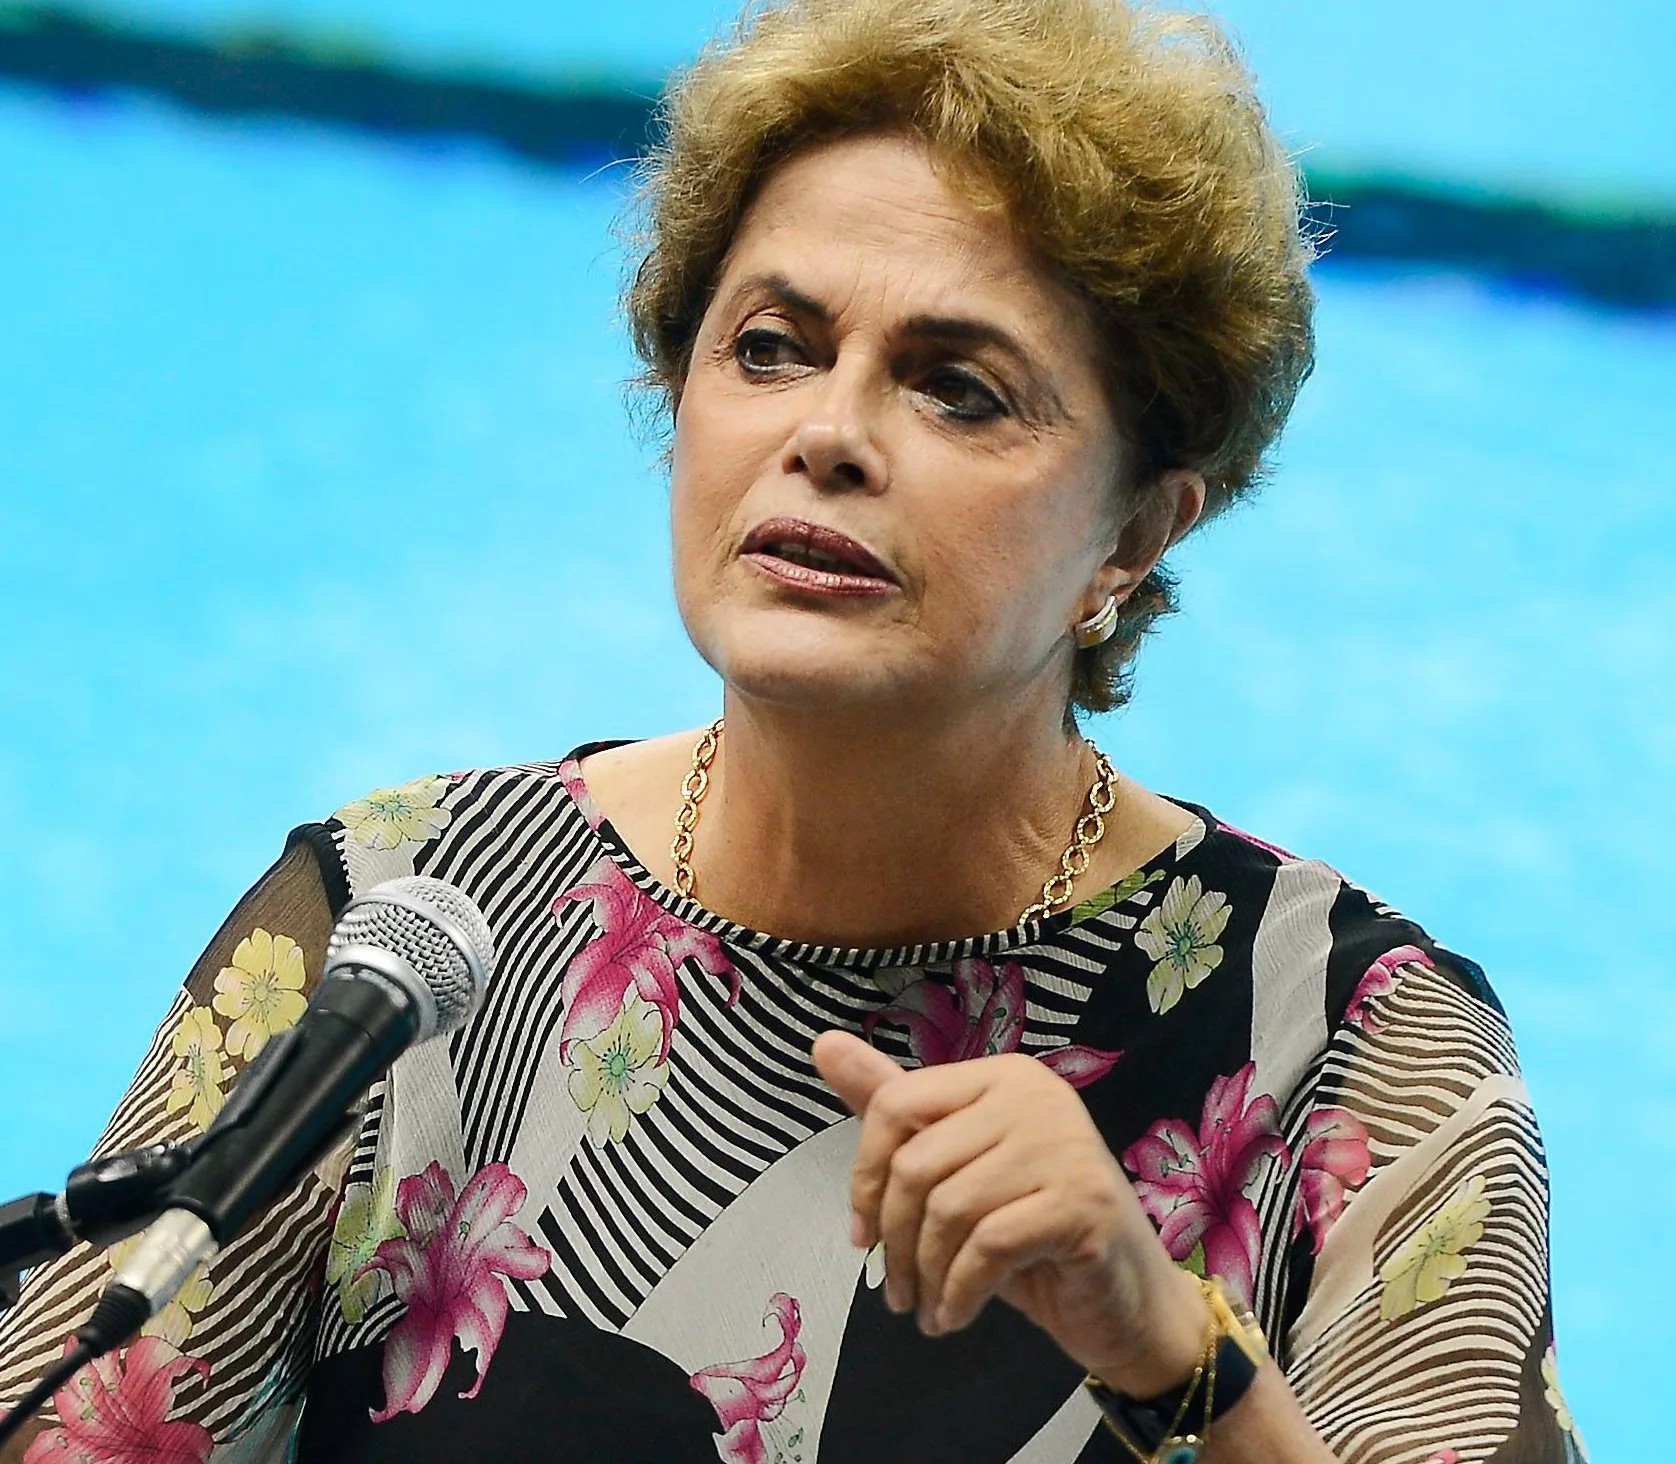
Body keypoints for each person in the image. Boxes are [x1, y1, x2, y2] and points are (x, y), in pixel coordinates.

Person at [0, 0, 1586, 1459]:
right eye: (771, 346)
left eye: (959, 387)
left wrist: (1172, 1349)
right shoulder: (402, 937)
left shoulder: (1346, 1047)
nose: (827, 434)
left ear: (1134, 535)